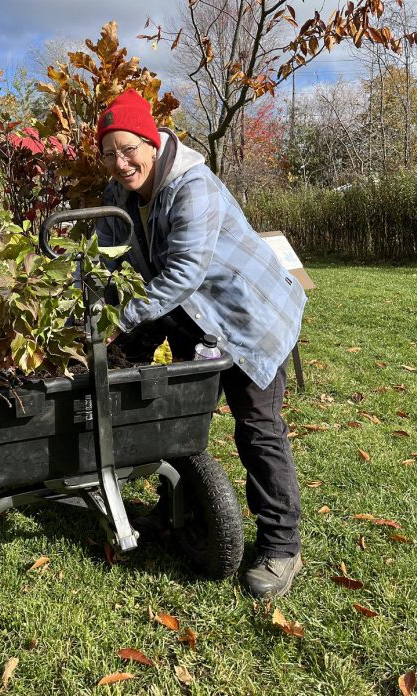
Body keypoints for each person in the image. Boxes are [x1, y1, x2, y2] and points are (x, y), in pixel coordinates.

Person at [94, 89, 307, 598]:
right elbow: (105, 264)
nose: (121, 163)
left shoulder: (193, 186)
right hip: (195, 322)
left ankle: (281, 547)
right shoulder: (117, 196)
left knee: (257, 428)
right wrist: (89, 308)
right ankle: (184, 516)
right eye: (110, 153)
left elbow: (183, 273)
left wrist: (117, 323)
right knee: (183, 423)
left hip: (248, 318)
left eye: (129, 149)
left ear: (151, 140)